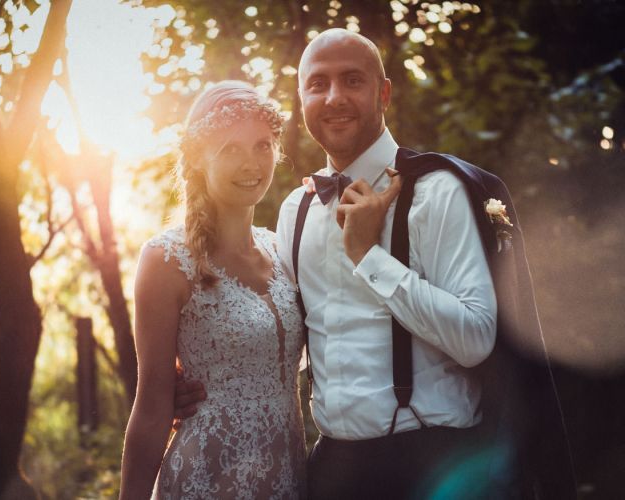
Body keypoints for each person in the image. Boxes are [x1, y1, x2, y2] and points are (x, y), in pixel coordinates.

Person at [176, 29, 576, 499]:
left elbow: (475, 338)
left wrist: (369, 257)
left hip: (433, 465)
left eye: (352, 80)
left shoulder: (436, 190)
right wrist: (200, 379)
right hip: (333, 471)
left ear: (383, 92)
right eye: (318, 84)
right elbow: (285, 330)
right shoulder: (295, 211)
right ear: (301, 99)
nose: (334, 97)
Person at [119, 81, 310, 500]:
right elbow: (151, 408)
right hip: (205, 480)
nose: (251, 163)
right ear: (199, 160)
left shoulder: (284, 250)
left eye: (262, 145)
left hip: (290, 480)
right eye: (230, 149)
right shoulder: (166, 260)